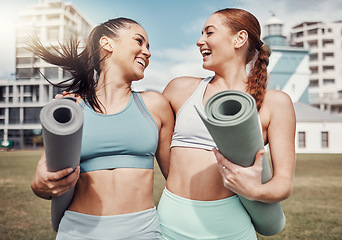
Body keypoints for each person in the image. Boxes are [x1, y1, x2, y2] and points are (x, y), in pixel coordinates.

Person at [157, 8, 296, 240]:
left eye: (209, 32)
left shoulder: (276, 103)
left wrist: (256, 191)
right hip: (169, 223)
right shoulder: (179, 90)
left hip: (229, 228)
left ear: (239, 39)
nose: (200, 41)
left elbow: (284, 184)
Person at [30, 17, 174, 239]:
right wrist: (41, 185)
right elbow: (45, 176)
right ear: (107, 43)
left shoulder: (155, 105)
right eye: (139, 41)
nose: (147, 52)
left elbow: (176, 179)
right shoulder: (71, 106)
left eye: (148, 47)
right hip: (78, 231)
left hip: (142, 230)